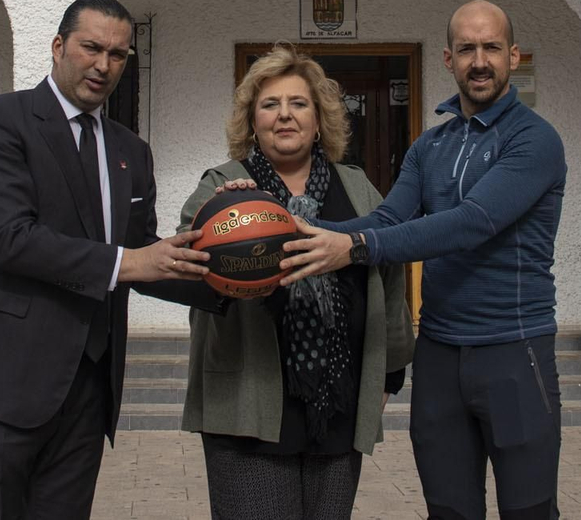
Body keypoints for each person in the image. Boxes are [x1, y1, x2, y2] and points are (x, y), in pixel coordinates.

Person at [0, 0, 216, 519]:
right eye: (92, 48)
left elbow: (146, 255)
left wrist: (239, 272)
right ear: (58, 46)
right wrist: (129, 263)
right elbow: (9, 238)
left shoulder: (132, 150)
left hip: (87, 391)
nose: (104, 65)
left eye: (119, 55)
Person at [280, 0, 569, 520]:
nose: (479, 61)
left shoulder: (535, 139)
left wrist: (355, 248)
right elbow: (388, 220)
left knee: (530, 510)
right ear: (447, 58)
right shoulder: (429, 145)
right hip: (437, 353)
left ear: (514, 55)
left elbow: (472, 222)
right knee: (448, 510)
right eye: (466, 49)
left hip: (514, 350)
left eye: (491, 48)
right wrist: (292, 229)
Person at [177, 45, 414, 520]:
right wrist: (221, 220)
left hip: (338, 402)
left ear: (319, 118)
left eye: (298, 104)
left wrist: (389, 372)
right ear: (252, 120)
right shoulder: (224, 187)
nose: (284, 116)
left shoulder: (356, 186)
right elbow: (188, 273)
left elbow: (388, 278)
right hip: (248, 407)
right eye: (270, 105)